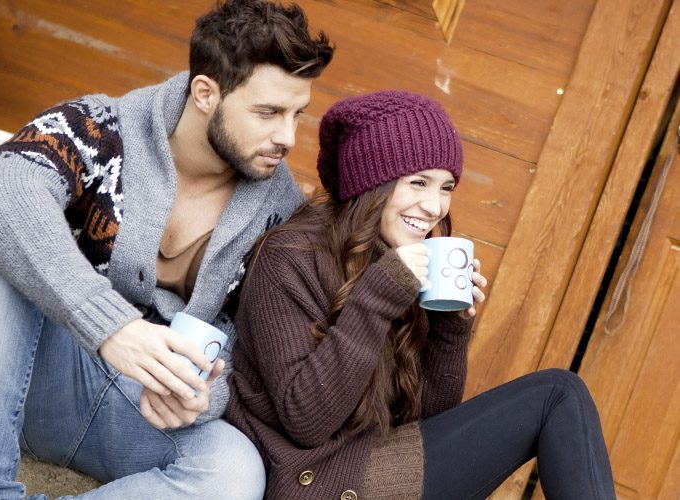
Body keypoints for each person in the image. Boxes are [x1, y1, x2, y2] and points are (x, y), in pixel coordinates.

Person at [0, 0, 333, 498]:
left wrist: (202, 396)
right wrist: (111, 326)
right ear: (205, 93)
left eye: (298, 114)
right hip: (32, 376)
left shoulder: (282, 216)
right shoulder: (101, 128)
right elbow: (2, 185)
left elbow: (259, 349)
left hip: (137, 411)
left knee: (235, 471)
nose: (288, 136)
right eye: (268, 112)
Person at [227, 90, 616, 499]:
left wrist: (450, 328)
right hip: (316, 481)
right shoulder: (290, 259)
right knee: (557, 393)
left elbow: (422, 430)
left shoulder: (399, 263)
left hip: (370, 467)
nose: (435, 207)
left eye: (446, 187)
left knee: (560, 394)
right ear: (371, 182)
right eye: (418, 183)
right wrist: (377, 298)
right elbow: (305, 420)